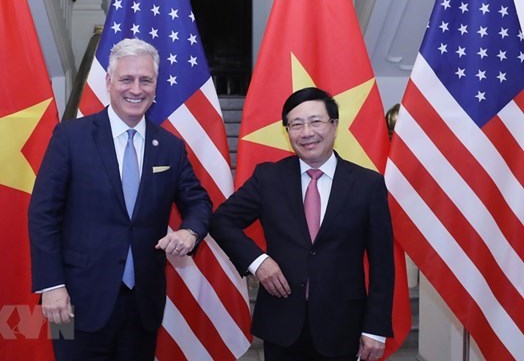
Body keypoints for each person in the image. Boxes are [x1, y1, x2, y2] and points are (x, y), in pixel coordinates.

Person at [28, 38, 212, 361]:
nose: (136, 89)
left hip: (142, 306)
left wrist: (190, 232)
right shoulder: (70, 136)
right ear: (109, 81)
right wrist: (51, 285)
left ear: (156, 86)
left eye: (146, 80)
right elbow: (43, 214)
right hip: (70, 300)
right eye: (127, 79)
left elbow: (199, 203)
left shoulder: (170, 147)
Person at [209, 87, 394, 361]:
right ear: (287, 132)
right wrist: (259, 262)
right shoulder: (269, 178)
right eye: (296, 124)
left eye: (316, 121)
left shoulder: (368, 185)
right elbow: (221, 221)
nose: (307, 132)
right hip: (282, 326)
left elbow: (382, 263)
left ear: (334, 125)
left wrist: (375, 329)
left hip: (342, 326)